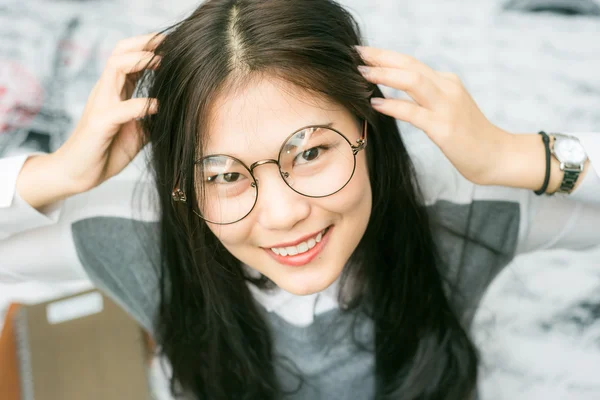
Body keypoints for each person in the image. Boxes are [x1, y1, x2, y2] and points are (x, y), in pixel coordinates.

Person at [1, 0, 598, 399]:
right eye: (224, 175)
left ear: (370, 130)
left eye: (311, 153)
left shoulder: (465, 210)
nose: (284, 214)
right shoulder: (133, 231)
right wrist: (55, 174)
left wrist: (514, 157)